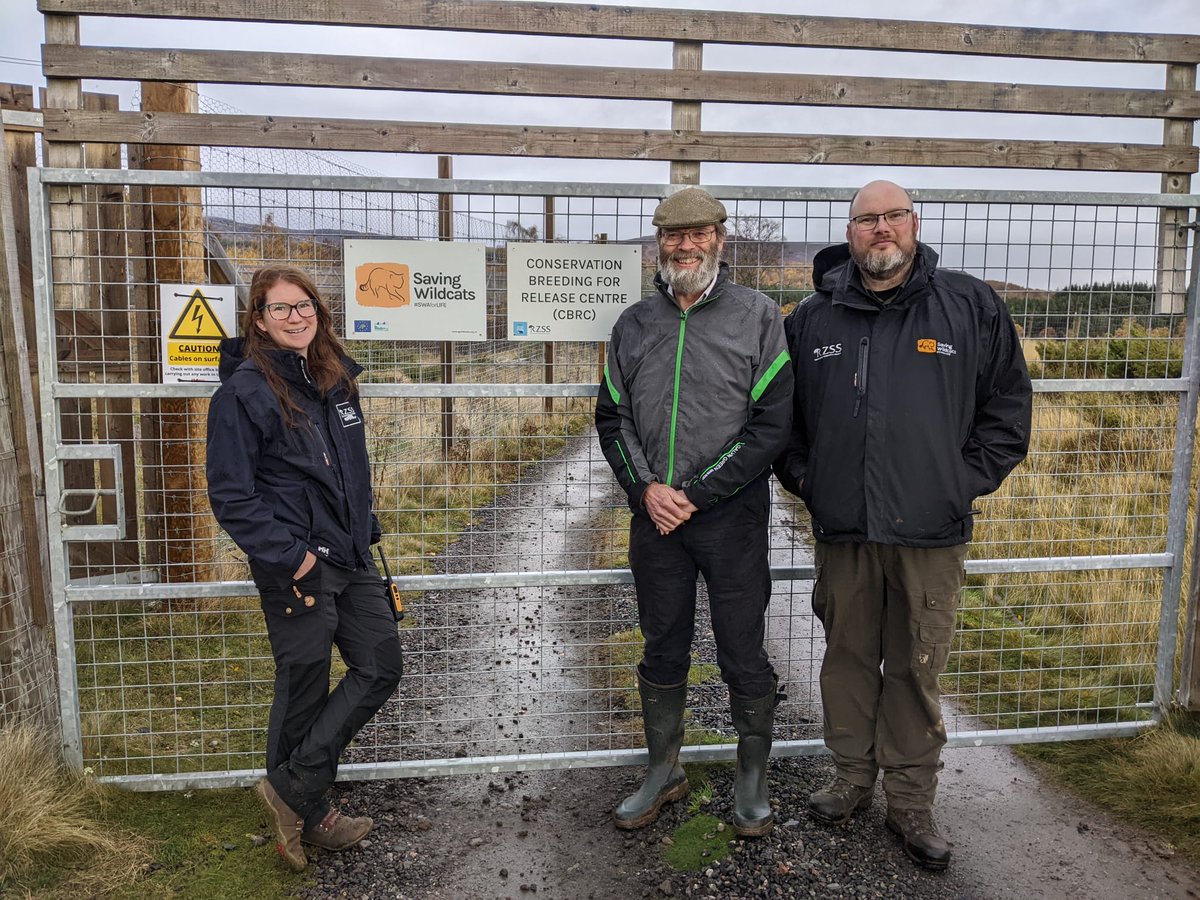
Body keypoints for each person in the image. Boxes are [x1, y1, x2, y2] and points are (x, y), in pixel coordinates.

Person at [773, 180, 1032, 870]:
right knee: (849, 659)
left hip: (929, 534)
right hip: (845, 534)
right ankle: (850, 780)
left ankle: (911, 805)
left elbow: (1007, 411)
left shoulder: (968, 307)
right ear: (850, 232)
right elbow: (783, 422)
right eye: (866, 220)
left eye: (892, 217)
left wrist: (956, 484)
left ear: (914, 224)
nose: (880, 230)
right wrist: (808, 482)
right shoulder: (813, 319)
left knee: (916, 667)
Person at [595, 187, 793, 837]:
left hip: (730, 519)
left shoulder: (760, 317)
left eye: (698, 233)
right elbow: (612, 418)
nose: (686, 245)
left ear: (720, 239)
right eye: (673, 236)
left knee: (742, 650)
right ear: (659, 245)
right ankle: (663, 770)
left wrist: (698, 492)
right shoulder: (633, 325)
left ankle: (752, 778)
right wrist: (647, 489)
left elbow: (771, 427)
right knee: (662, 645)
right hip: (655, 520)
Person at [206, 265, 403, 871]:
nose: (295, 317)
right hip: (296, 564)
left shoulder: (334, 380)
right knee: (304, 685)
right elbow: (231, 493)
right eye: (280, 308)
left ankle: (291, 788)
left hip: (352, 555)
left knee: (381, 664)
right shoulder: (243, 394)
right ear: (258, 320)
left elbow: (351, 470)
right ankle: (310, 815)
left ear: (318, 311)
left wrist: (363, 531)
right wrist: (292, 556)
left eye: (304, 306)